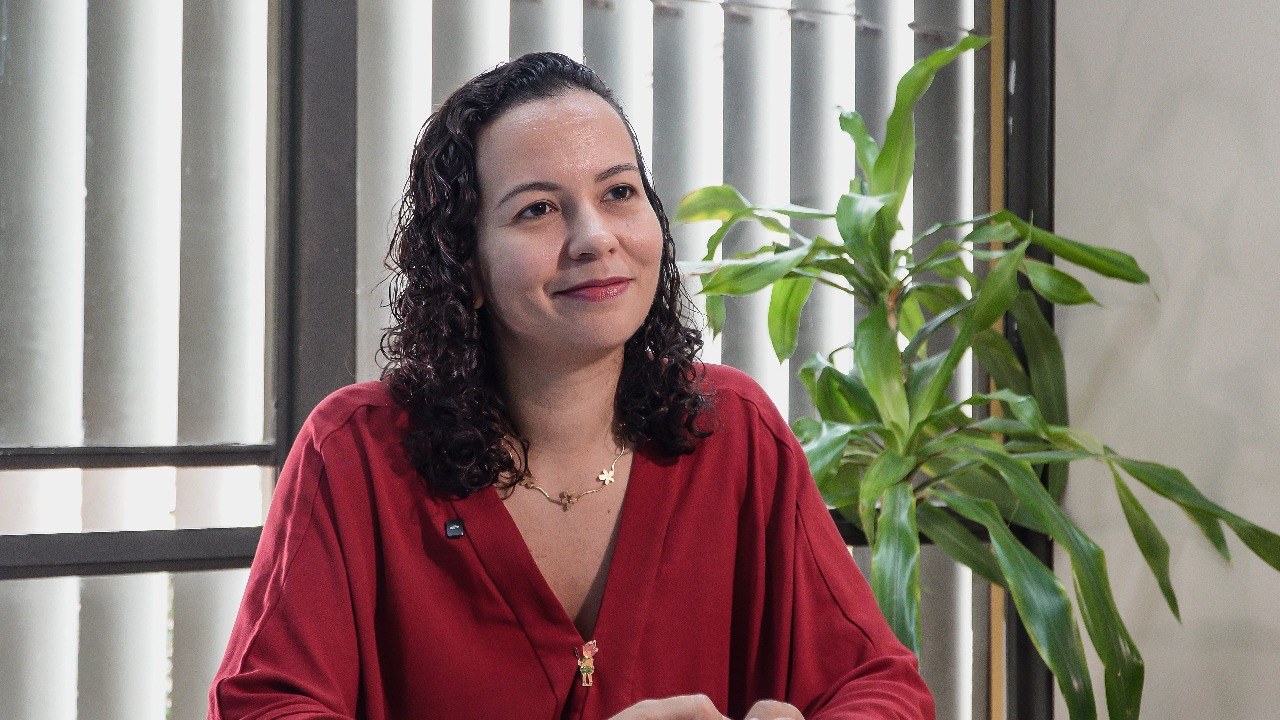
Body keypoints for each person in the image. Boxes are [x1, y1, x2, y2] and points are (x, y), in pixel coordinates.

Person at [208, 52, 934, 720]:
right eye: (538, 209)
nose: (595, 237)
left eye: (619, 192)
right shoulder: (356, 453)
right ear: (467, 266)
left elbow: (881, 687)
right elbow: (263, 707)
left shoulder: (735, 430)